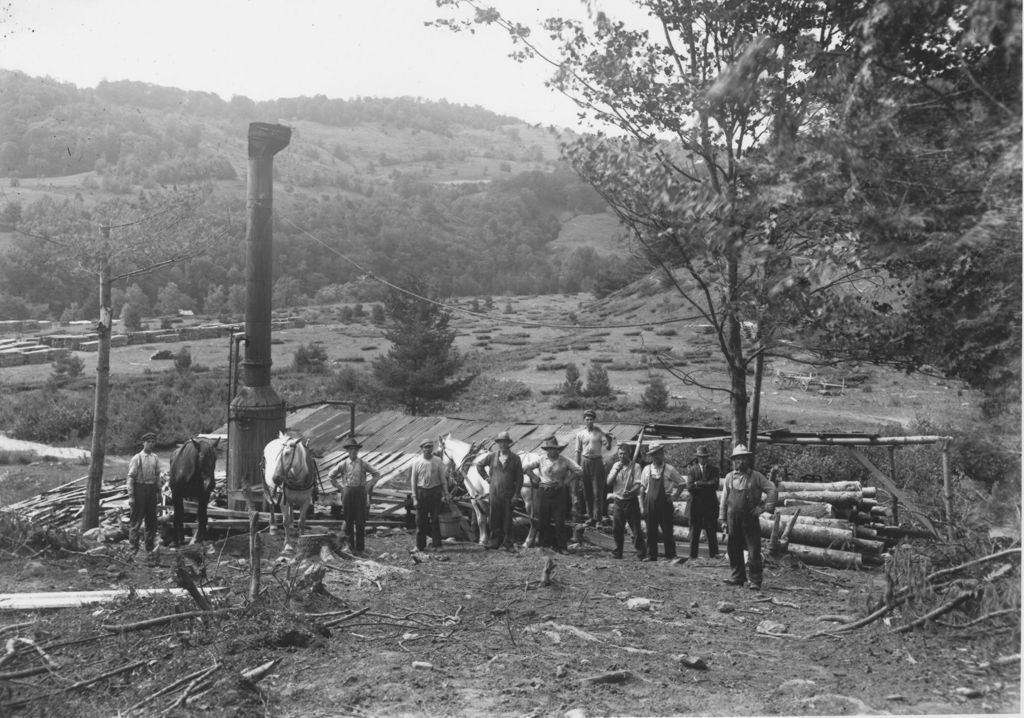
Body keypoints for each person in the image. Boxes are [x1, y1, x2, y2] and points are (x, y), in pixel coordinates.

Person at [719, 444, 778, 590]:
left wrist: (764, 507)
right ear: (734, 461)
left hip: (750, 519)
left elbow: (772, 490)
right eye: (737, 459)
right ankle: (737, 577)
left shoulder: (756, 476)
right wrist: (722, 519)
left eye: (743, 458)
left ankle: (755, 580)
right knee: (733, 549)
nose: (740, 462)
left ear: (748, 460)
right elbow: (724, 499)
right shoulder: (729, 477)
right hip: (732, 519)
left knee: (753, 550)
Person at [523, 436, 582, 553]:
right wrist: (535, 478)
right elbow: (525, 468)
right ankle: (543, 545)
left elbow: (579, 470)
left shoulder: (564, 460)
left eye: (554, 449)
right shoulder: (541, 459)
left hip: (559, 492)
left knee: (559, 520)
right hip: (544, 492)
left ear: (558, 449)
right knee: (543, 519)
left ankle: (562, 547)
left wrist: (566, 482)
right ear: (547, 450)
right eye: (549, 449)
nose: (551, 451)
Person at [328, 438, 380, 555]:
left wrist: (368, 486)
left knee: (360, 521)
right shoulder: (343, 464)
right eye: (351, 449)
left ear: (358, 451)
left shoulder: (363, 463)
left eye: (355, 449)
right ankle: (350, 548)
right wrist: (340, 488)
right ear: (347, 451)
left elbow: (376, 474)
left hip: (360, 492)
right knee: (348, 521)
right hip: (347, 492)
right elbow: (331, 476)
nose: (353, 452)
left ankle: (360, 548)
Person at [474, 430, 525, 551]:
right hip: (494, 493)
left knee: (507, 519)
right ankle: (494, 541)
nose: (503, 444)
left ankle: (508, 543)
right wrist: (487, 478)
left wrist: (516, 495)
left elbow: (520, 478)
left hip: (509, 493)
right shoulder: (492, 456)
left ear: (509, 443)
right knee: (493, 518)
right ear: (498, 443)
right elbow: (479, 465)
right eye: (500, 442)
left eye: (505, 442)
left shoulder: (515, 458)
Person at [638, 443, 685, 563]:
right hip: (650, 503)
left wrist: (674, 496)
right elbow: (642, 489)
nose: (656, 457)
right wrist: (642, 506)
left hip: (665, 504)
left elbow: (682, 483)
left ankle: (671, 555)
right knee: (650, 530)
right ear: (651, 456)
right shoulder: (647, 469)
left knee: (667, 530)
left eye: (658, 454)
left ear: (662, 454)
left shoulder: (669, 469)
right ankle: (651, 555)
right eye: (653, 455)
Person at [605, 442, 646, 560]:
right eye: (620, 454)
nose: (621, 456)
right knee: (617, 529)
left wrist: (631, 491)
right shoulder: (615, 465)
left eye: (624, 454)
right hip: (618, 501)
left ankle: (641, 553)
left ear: (629, 454)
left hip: (631, 502)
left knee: (636, 529)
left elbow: (638, 485)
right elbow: (608, 482)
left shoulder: (636, 466)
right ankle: (618, 552)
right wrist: (616, 471)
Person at [408, 439, 450, 551]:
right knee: (420, 520)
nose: (428, 449)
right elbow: (413, 481)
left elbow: (443, 479)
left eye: (430, 447)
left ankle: (437, 544)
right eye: (426, 447)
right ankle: (419, 545)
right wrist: (414, 498)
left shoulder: (438, 461)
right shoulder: (416, 462)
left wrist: (446, 494)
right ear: (422, 449)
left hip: (435, 492)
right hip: (422, 492)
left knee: (435, 519)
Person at [574, 409, 613, 526]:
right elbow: (577, 451)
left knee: (597, 492)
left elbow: (608, 447)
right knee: (587, 492)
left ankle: (598, 519)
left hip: (597, 462)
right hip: (585, 462)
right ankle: (590, 517)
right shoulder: (580, 434)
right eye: (587, 419)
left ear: (594, 420)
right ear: (584, 420)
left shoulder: (599, 432)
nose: (589, 421)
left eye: (591, 419)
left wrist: (608, 440)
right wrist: (577, 468)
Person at [126, 431, 163, 555]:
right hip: (139, 490)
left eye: (153, 442)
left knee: (151, 521)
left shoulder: (155, 458)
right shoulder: (137, 458)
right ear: (144, 443)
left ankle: (149, 548)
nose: (151, 444)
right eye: (148, 442)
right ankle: (133, 550)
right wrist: (131, 496)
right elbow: (130, 477)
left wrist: (159, 492)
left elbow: (157, 475)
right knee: (136, 521)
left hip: (151, 490)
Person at [686, 445, 721, 560]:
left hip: (710, 507)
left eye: (705, 457)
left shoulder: (714, 470)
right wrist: (706, 484)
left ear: (707, 457)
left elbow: (714, 485)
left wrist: (699, 483)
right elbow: (690, 487)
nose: (703, 459)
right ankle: (692, 557)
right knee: (694, 533)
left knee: (711, 533)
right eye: (701, 457)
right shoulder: (691, 470)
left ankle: (714, 557)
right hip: (695, 507)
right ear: (698, 458)